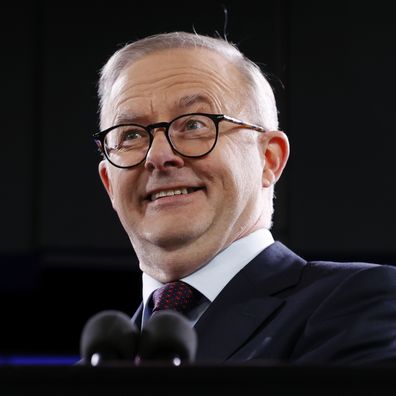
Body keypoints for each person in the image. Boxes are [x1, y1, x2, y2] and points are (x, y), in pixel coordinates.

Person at [93, 31, 396, 365]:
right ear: (109, 183)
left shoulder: (358, 303)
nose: (158, 155)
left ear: (269, 159)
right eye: (132, 135)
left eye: (194, 125)